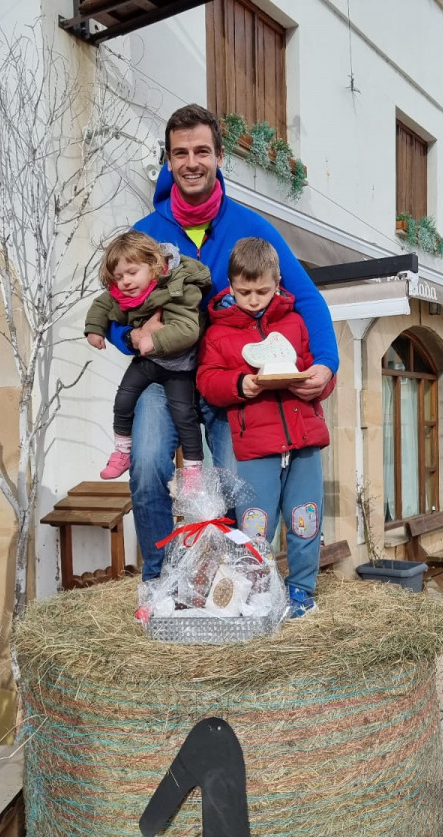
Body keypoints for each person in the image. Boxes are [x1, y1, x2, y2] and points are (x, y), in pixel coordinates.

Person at [109, 104, 338, 581]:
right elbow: (115, 302)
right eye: (180, 153)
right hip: (162, 377)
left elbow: (308, 299)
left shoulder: (252, 228)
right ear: (168, 162)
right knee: (149, 463)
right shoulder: (146, 234)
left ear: (218, 158)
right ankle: (158, 578)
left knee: (237, 481)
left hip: (229, 382)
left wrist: (326, 365)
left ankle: (233, 581)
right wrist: (129, 335)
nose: (191, 162)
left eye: (202, 151)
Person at [196, 238, 335, 617]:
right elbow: (207, 381)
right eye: (244, 292)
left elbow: (319, 368)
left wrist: (319, 380)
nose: (253, 300)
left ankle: (302, 591)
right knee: (255, 524)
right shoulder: (218, 333)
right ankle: (257, 593)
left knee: (305, 519)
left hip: (304, 440)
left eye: (262, 291)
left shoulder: (295, 323)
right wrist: (241, 384)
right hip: (256, 446)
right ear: (231, 284)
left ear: (278, 283)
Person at [84, 231, 211, 484]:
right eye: (118, 277)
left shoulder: (178, 287)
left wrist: (154, 340)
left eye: (132, 273)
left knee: (184, 416)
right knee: (123, 400)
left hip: (178, 367)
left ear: (153, 266)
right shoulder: (123, 293)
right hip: (148, 362)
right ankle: (122, 451)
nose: (125, 282)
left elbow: (188, 330)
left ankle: (193, 471)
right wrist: (94, 329)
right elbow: (102, 304)